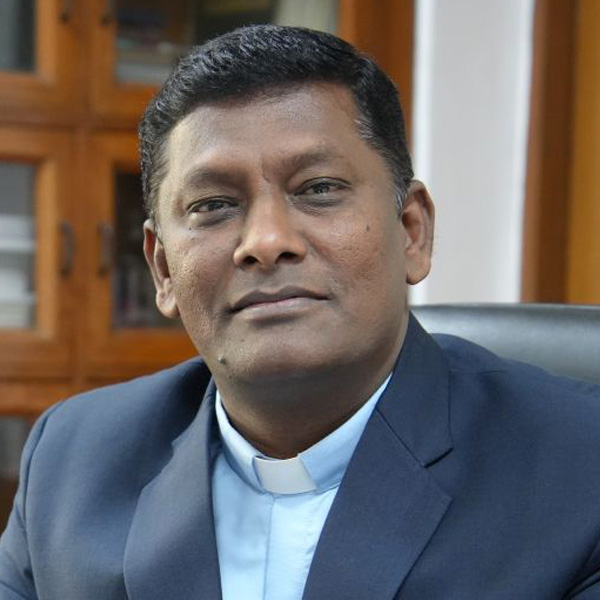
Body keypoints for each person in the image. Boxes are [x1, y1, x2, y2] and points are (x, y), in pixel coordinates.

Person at [1, 24, 599, 600]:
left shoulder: (580, 468)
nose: (266, 241)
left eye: (318, 189)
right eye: (213, 204)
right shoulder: (72, 459)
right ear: (162, 269)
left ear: (411, 231)